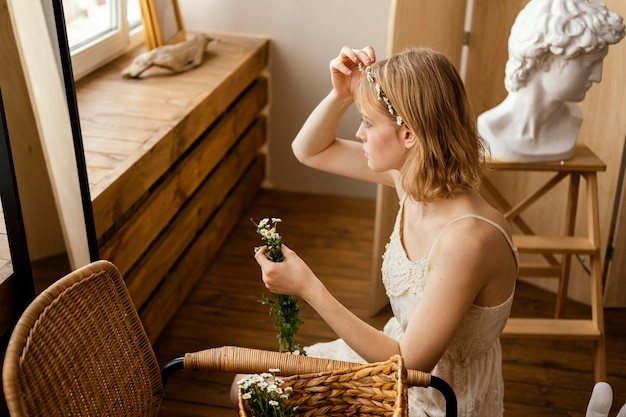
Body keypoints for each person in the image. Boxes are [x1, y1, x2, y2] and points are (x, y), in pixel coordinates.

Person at [237, 45, 519, 417]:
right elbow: (309, 151)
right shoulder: (410, 179)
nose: (358, 133)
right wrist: (343, 93)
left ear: (408, 135)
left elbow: (412, 366)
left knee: (267, 402)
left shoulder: (468, 240)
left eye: (368, 122)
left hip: (436, 395)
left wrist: (308, 288)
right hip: (390, 353)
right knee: (245, 386)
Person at [477, 0, 624, 163]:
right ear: (545, 59)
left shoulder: (573, 121)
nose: (598, 76)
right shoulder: (490, 128)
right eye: (589, 63)